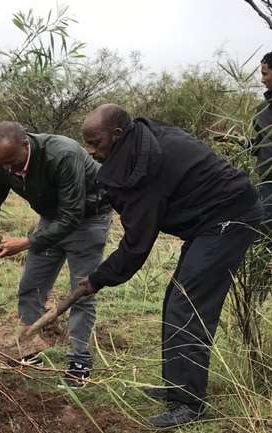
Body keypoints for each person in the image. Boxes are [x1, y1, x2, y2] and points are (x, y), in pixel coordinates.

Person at [79, 104, 264, 428]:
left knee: (187, 306)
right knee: (176, 300)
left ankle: (189, 406)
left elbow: (136, 246)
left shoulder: (145, 164)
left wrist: (97, 279)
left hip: (229, 218)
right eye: (87, 142)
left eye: (95, 142)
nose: (90, 150)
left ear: (118, 134)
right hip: (208, 221)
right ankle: (177, 386)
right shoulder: (140, 143)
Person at [0, 121, 112, 387]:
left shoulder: (63, 154)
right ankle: (29, 352)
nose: (9, 169)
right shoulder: (3, 161)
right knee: (31, 287)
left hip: (89, 219)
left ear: (26, 145)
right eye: (3, 164)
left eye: (13, 161)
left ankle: (78, 364)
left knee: (82, 291)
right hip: (52, 219)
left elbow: (72, 216)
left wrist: (26, 242)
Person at [252, 51, 272, 228]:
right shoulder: (261, 111)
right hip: (267, 183)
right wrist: (242, 143)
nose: (262, 80)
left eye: (265, 73)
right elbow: (258, 144)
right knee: (265, 227)